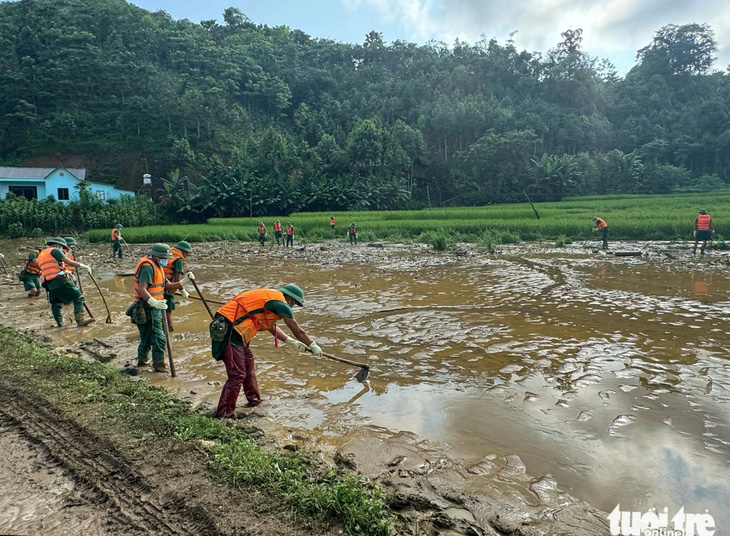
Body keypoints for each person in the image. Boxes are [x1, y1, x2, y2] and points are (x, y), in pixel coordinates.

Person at [209, 283, 323, 418]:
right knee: (237, 374)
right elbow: (298, 331)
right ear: (290, 298)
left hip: (238, 331)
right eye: (295, 303)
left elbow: (270, 326)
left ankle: (254, 401)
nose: (293, 306)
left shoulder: (272, 299)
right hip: (230, 330)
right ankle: (224, 414)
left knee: (248, 365)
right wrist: (312, 344)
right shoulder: (280, 303)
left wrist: (289, 341)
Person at [134, 243, 186, 372]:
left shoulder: (159, 267)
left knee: (148, 336)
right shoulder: (147, 267)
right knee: (158, 337)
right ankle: (159, 365)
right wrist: (153, 301)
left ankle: (142, 361)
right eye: (164, 257)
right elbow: (142, 288)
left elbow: (168, 286)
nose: (166, 260)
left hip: (155, 307)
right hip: (147, 307)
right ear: (155, 255)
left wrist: (184, 284)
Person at [37, 237, 94, 327]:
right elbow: (68, 262)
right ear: (58, 245)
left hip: (49, 282)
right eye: (62, 247)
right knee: (79, 297)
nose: (62, 249)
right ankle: (80, 321)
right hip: (60, 279)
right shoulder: (55, 251)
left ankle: (60, 324)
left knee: (56, 304)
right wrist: (83, 266)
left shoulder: (41, 254)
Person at [162, 241, 192, 332]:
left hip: (156, 286)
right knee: (167, 310)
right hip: (167, 287)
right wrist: (182, 291)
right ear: (183, 251)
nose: (187, 255)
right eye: (187, 253)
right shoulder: (178, 260)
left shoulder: (167, 255)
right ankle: (168, 330)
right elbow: (177, 279)